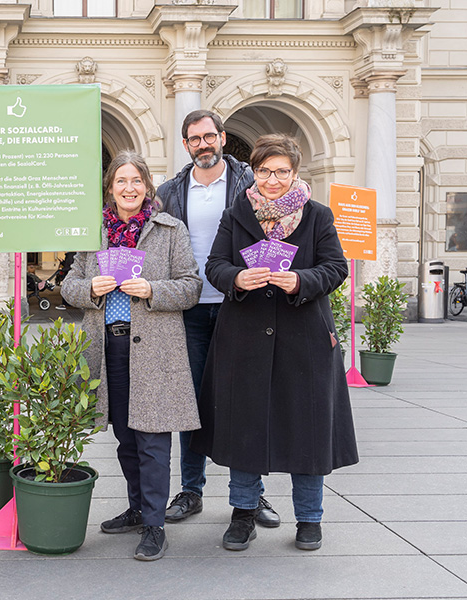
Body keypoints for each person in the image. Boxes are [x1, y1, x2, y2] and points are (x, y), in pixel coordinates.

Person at [192, 134, 358, 552]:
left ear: (294, 173)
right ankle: (242, 514)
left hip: (304, 341)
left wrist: (302, 280)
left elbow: (336, 268)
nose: (272, 179)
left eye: (282, 171)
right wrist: (237, 279)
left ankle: (309, 519)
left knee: (308, 432)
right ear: (255, 171)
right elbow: (215, 265)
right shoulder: (236, 213)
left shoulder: (318, 216)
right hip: (245, 340)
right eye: (265, 170)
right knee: (246, 431)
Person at [61, 150, 202, 561]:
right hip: (107, 349)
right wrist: (91, 288)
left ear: (147, 187)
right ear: (110, 188)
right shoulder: (93, 232)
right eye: (121, 181)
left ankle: (155, 525)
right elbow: (69, 285)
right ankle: (138, 507)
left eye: (136, 181)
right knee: (125, 438)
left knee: (152, 439)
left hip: (155, 350)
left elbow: (191, 286)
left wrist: (153, 290)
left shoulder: (169, 229)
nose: (129, 188)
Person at [155, 109, 279, 528]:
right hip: (188, 307)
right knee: (189, 402)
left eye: (209, 136)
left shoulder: (249, 182)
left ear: (223, 138)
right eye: (194, 139)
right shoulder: (170, 191)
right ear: (186, 145)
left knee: (245, 399)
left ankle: (252, 495)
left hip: (240, 304)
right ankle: (191, 489)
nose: (203, 145)